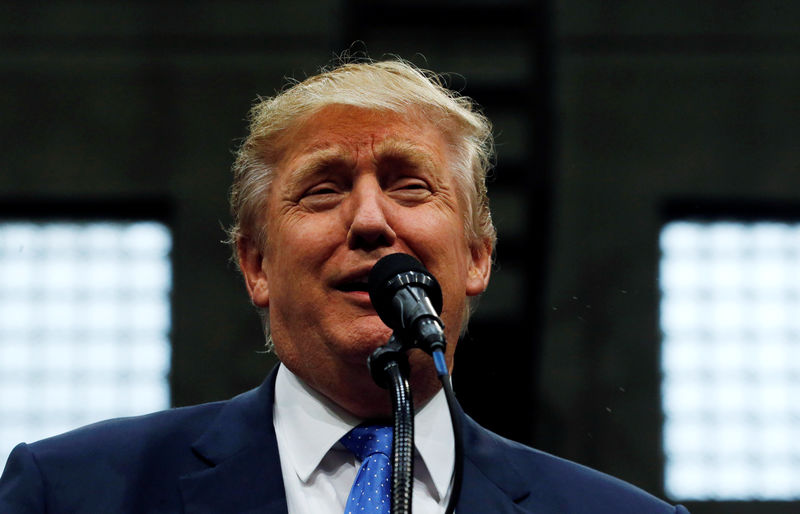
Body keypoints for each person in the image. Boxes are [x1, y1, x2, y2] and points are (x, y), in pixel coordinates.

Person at [0, 58, 689, 513]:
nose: (368, 220)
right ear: (256, 266)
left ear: (478, 258)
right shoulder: (68, 493)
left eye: (409, 186)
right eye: (323, 190)